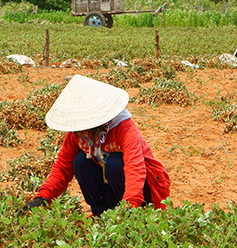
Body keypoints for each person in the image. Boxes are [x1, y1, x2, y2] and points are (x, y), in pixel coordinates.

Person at [25, 74, 171, 215]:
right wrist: (43, 197)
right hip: (111, 184)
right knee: (80, 161)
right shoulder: (76, 133)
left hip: (145, 186)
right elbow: (62, 167)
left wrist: (130, 205)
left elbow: (135, 168)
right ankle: (101, 211)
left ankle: (133, 213)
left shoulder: (124, 128)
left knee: (115, 163)